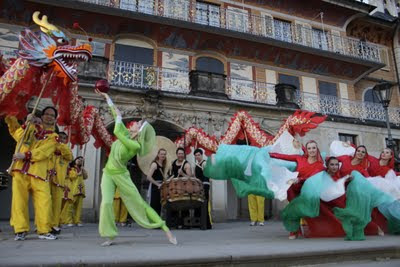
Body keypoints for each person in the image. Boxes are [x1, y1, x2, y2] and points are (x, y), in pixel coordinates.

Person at [96, 89, 177, 246]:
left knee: (140, 203)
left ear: (139, 132)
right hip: (108, 173)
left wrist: (120, 126)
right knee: (106, 202)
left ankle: (165, 228)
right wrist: (107, 97)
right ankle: (110, 235)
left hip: (121, 175)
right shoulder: (124, 132)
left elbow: (118, 133)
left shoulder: (134, 145)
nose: (134, 123)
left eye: (137, 124)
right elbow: (117, 114)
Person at [9, 107, 59, 240]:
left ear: (55, 119)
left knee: (44, 201)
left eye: (52, 115)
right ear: (42, 116)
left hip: (39, 173)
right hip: (20, 170)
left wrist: (25, 155)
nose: (49, 117)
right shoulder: (31, 127)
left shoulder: (54, 137)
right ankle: (20, 230)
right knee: (19, 202)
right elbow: (19, 137)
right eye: (46, 114)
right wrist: (27, 123)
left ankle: (44, 230)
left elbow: (44, 152)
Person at [270, 140, 325, 239]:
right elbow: (284, 156)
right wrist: (269, 154)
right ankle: (295, 229)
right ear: (306, 150)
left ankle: (297, 229)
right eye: (309, 148)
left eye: (314, 148)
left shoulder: (320, 166)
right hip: (294, 187)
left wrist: (299, 179)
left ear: (317, 149)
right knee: (292, 201)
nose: (312, 150)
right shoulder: (299, 158)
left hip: (308, 189)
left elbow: (311, 178)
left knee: (298, 206)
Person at [48, 131, 73, 234]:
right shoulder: (49, 147)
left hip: (59, 181)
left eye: (63, 138)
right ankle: (42, 224)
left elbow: (69, 157)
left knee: (57, 204)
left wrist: (61, 145)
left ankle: (54, 224)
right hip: (47, 179)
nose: (61, 139)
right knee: (45, 203)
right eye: (59, 137)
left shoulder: (66, 151)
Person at [193, 148, 212, 229]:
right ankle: (201, 223)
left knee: (204, 204)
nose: (197, 156)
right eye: (196, 155)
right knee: (200, 203)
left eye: (198, 155)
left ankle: (207, 224)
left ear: (202, 155)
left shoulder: (204, 163)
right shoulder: (196, 164)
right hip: (199, 186)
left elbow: (208, 174)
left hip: (205, 185)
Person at [146, 148, 167, 215]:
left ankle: (157, 223)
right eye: (161, 154)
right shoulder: (154, 164)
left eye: (164, 154)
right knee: (154, 205)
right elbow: (148, 177)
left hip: (160, 187)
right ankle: (153, 223)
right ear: (158, 155)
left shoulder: (163, 164)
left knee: (159, 205)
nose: (163, 155)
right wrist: (158, 184)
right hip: (155, 187)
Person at [69, 156, 88, 226]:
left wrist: (83, 170)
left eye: (81, 160)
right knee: (70, 206)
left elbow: (86, 177)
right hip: (73, 190)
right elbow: (71, 176)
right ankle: (70, 221)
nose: (80, 161)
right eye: (79, 159)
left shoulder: (82, 169)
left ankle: (77, 221)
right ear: (75, 160)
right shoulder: (72, 169)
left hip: (81, 190)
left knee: (79, 208)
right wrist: (77, 173)